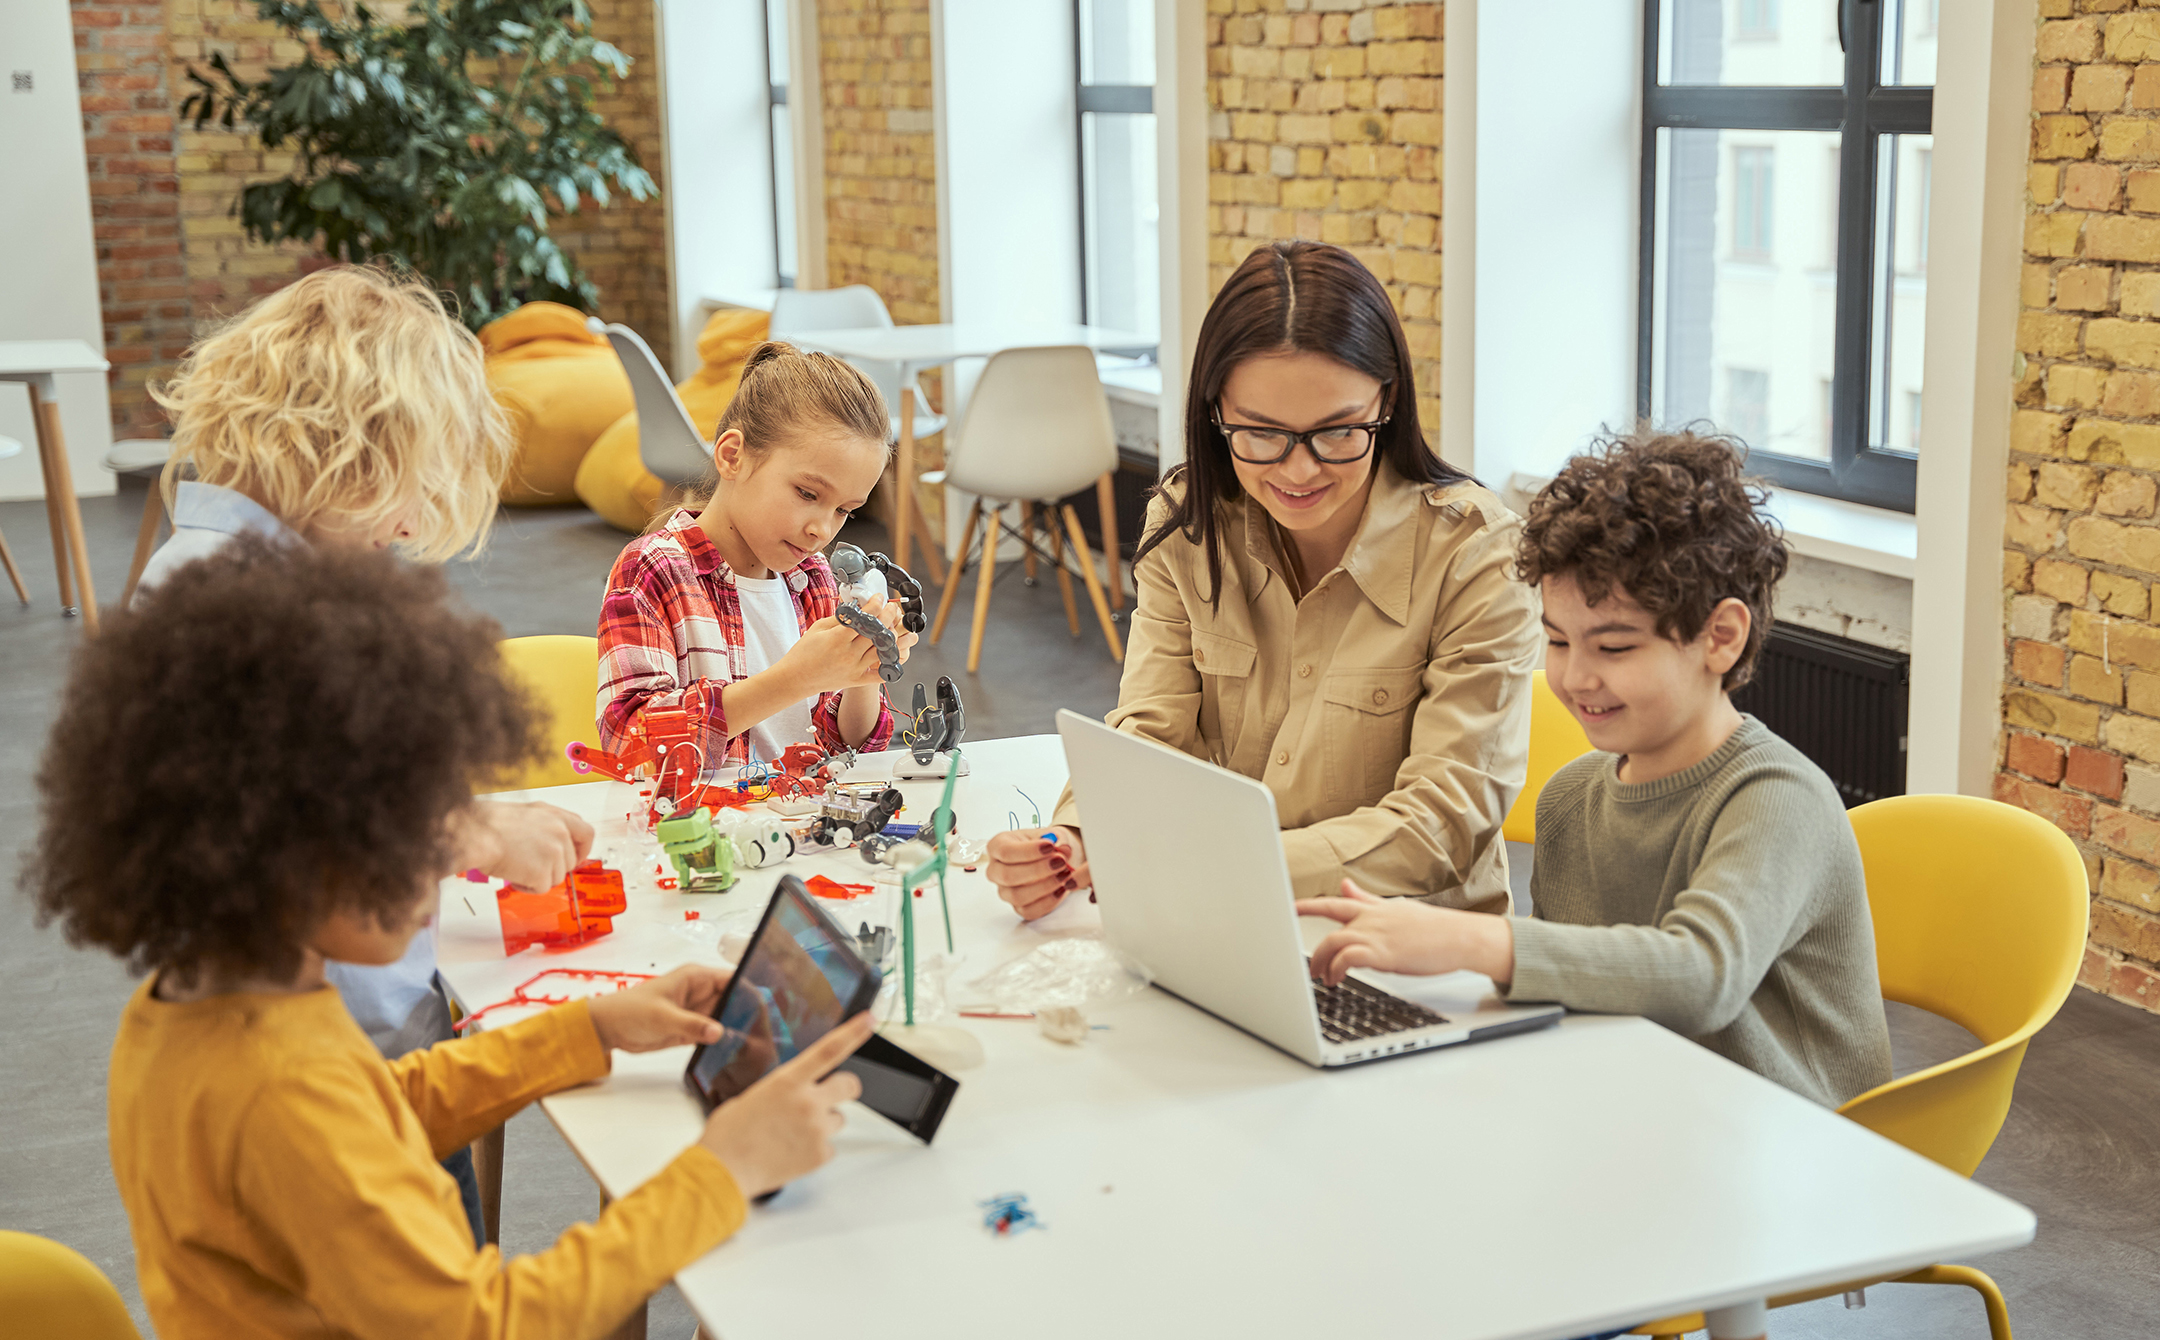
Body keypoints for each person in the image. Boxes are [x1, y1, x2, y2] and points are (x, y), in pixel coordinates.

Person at [24, 537, 875, 1336]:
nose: (442, 870)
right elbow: (489, 1323)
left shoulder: (211, 1005)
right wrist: (720, 1172)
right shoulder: (279, 1090)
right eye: (418, 836)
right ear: (284, 850)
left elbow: (382, 1108)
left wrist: (593, 1030)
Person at [137, 264, 595, 1237]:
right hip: (340, 1067)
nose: (405, 528)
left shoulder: (216, 567)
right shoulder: (243, 600)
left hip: (350, 1042)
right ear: (348, 450)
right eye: (406, 495)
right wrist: (473, 830)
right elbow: (303, 828)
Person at [1299, 430, 1893, 1109]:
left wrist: (1469, 939)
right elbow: (1576, 994)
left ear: (1720, 638)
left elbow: (1701, 977)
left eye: (1613, 646)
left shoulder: (1776, 800)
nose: (1576, 676)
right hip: (1639, 1112)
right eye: (1556, 640)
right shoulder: (1570, 800)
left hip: (1789, 1151)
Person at [983, 240, 1541, 918]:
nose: (1298, 470)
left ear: (1387, 402)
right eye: (1261, 433)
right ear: (1216, 414)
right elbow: (1154, 730)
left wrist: (1222, 863)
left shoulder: (1476, 554)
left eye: (1338, 432)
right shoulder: (1188, 524)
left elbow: (1444, 824)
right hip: (1231, 920)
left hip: (1414, 950)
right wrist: (1074, 835)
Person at [598, 341, 916, 780]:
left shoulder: (815, 579)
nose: (823, 530)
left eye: (845, 510)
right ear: (733, 456)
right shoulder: (653, 571)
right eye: (808, 494)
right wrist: (794, 679)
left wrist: (863, 669)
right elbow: (630, 745)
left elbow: (852, 748)